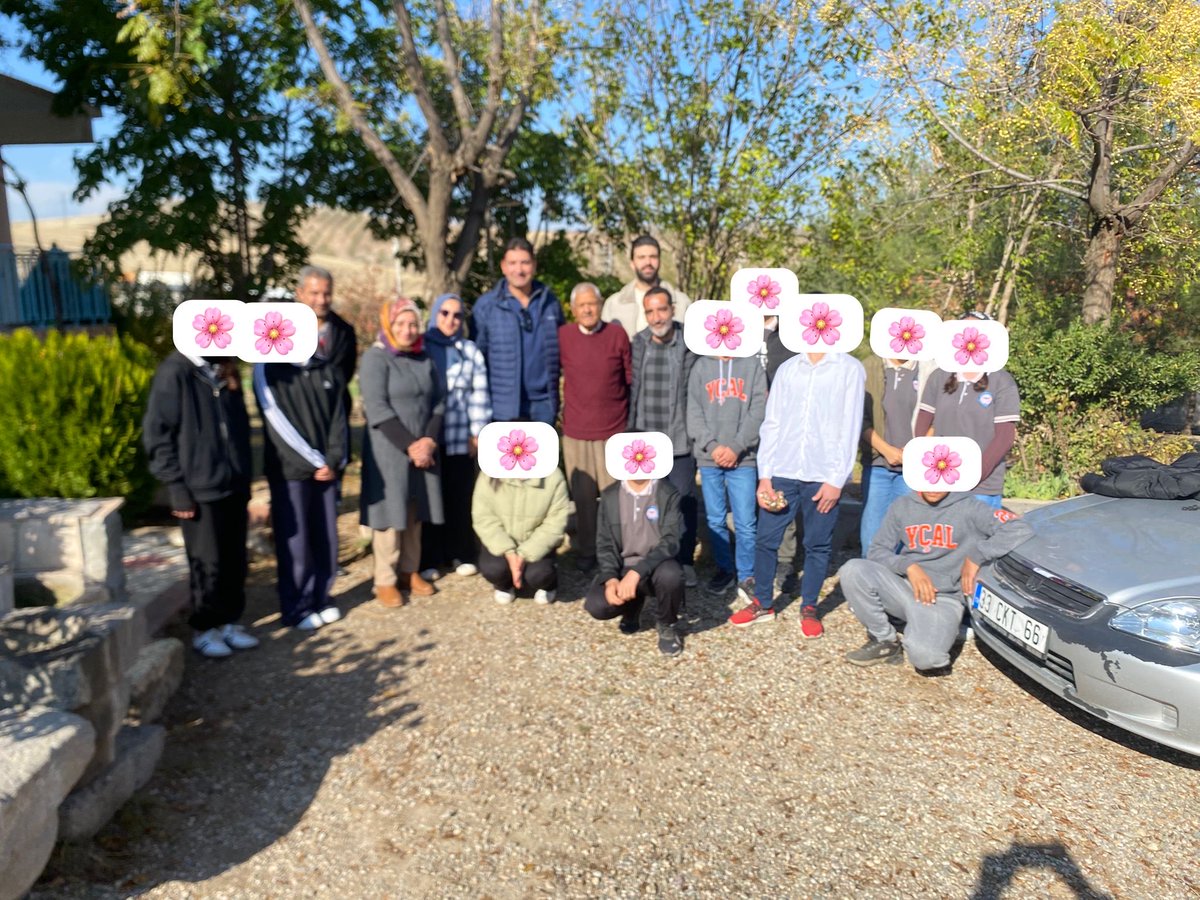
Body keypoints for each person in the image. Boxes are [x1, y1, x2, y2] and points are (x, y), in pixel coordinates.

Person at [729, 349, 865, 638]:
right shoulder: (789, 368)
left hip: (822, 474)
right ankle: (763, 603)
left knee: (817, 544)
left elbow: (850, 426)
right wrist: (765, 476)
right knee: (766, 540)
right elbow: (773, 422)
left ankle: (810, 607)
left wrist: (837, 479)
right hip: (783, 470)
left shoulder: (849, 368)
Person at [839, 488, 1033, 673]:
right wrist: (908, 566)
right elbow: (877, 551)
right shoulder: (902, 505)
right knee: (853, 569)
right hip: (906, 587)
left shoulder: (970, 507)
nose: (932, 487)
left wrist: (977, 556)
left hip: (944, 598)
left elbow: (1019, 528)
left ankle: (938, 629)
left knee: (927, 659)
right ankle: (884, 639)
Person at [143, 353, 258, 658]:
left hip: (233, 484)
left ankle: (230, 621)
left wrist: (244, 475)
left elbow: (240, 429)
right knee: (208, 561)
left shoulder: (222, 371)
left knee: (235, 558)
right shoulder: (176, 372)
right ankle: (206, 628)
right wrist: (176, 488)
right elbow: (158, 434)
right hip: (198, 488)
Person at [359, 298, 445, 607]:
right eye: (400, 324)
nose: (408, 331)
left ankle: (411, 570)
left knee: (414, 511)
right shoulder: (375, 358)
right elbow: (377, 407)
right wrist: (411, 445)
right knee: (389, 514)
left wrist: (429, 442)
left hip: (423, 448)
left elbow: (438, 401)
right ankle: (385, 579)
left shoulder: (425, 358)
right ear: (388, 325)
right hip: (389, 450)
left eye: (413, 324)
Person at [254, 349, 347, 632]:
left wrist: (332, 459)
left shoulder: (325, 366)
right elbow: (276, 421)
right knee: (296, 542)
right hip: (290, 472)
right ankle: (296, 606)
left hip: (325, 472)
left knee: (325, 536)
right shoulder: (267, 367)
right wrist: (314, 461)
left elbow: (338, 418)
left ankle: (321, 597)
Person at [584, 437, 687, 657]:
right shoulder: (610, 495)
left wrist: (636, 573)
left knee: (672, 575)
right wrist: (611, 578)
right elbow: (605, 544)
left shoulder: (667, 493)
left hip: (655, 565)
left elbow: (671, 540)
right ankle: (632, 607)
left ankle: (666, 625)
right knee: (597, 605)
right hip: (622, 566)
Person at [558, 282, 632, 573]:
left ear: (601, 306)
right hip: (576, 432)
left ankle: (616, 552)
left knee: (615, 498)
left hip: (613, 430)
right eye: (582, 305)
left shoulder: (616, 334)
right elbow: (555, 375)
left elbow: (629, 378)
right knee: (584, 498)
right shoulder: (563, 336)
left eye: (592, 304)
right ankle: (587, 551)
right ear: (574, 310)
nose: (588, 309)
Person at [628, 286, 699, 586]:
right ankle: (653, 562)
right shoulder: (639, 343)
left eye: (661, 309)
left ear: (672, 309)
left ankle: (684, 561)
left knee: (683, 502)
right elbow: (632, 391)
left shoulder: (689, 342)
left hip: (681, 441)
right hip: (647, 442)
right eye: (650, 311)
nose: (657, 317)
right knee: (649, 506)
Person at [914, 314, 1019, 509]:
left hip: (982, 488)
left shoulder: (1002, 380)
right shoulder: (939, 376)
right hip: (942, 483)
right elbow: (922, 427)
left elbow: (1005, 437)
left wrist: (974, 474)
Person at [687, 345, 768, 599]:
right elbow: (694, 413)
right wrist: (712, 447)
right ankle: (724, 569)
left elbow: (758, 411)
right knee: (715, 519)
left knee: (745, 522)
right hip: (709, 459)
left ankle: (747, 574)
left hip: (742, 459)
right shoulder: (701, 366)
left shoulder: (752, 365)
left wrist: (735, 447)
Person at [421, 292, 491, 579]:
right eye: (445, 313)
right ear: (435, 314)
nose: (451, 320)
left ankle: (461, 552)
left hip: (461, 436)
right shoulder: (423, 346)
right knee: (431, 497)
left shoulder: (470, 350)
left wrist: (477, 434)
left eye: (457, 315)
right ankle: (431, 558)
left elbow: (479, 394)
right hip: (430, 437)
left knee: (460, 496)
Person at [471, 237, 564, 424]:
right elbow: (477, 359)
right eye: (512, 263)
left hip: (544, 404)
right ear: (503, 267)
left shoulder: (550, 303)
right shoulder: (487, 306)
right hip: (503, 407)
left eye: (525, 263)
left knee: (543, 454)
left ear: (534, 265)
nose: (519, 270)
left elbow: (562, 350)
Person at [859, 358, 930, 554]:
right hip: (877, 465)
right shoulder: (868, 367)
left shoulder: (929, 369)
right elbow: (858, 418)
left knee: (907, 535)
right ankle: (870, 582)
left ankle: (897, 582)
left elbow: (938, 416)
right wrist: (887, 450)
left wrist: (914, 451)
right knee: (871, 536)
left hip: (914, 467)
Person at [471, 467, 570, 605]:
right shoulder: (489, 473)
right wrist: (509, 553)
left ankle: (549, 584)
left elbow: (555, 522)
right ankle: (504, 585)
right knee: (493, 569)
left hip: (536, 543)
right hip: (502, 541)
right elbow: (484, 518)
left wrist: (524, 554)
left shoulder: (553, 475)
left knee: (539, 575)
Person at [295, 264, 357, 417]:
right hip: (295, 411)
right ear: (300, 293)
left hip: (333, 412)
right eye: (314, 293)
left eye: (327, 294)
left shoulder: (345, 331)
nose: (322, 300)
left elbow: (345, 373)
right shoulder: (282, 329)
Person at [603, 234, 693, 338]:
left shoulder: (681, 302)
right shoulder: (614, 304)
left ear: (659, 261)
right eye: (641, 257)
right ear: (632, 263)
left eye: (653, 257)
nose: (648, 262)